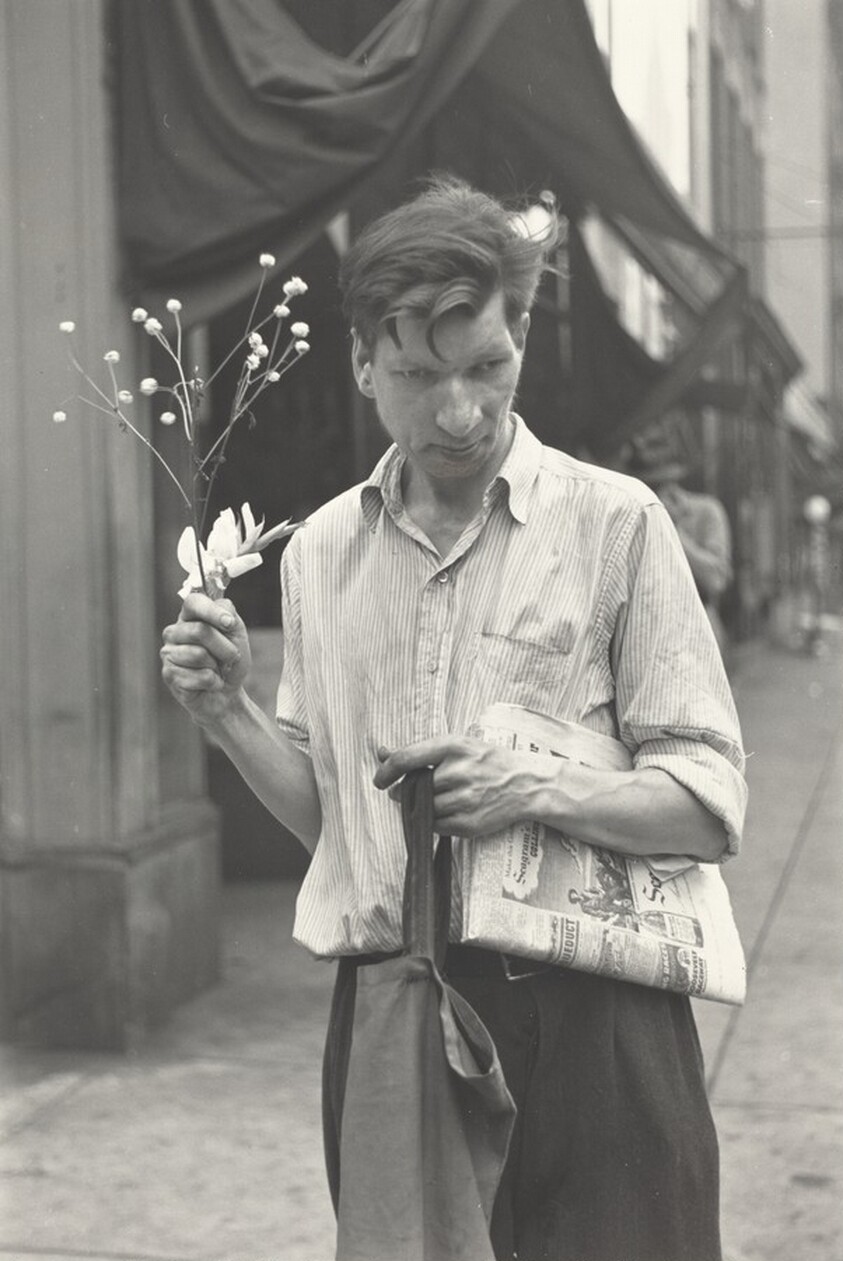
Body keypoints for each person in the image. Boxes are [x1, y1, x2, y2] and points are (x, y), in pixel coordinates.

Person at [161, 176, 747, 1261]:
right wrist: (229, 710)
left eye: (486, 366)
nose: (459, 411)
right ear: (361, 365)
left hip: (598, 1019)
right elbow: (342, 830)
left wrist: (535, 785)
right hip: (395, 1011)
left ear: (519, 336)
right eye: (419, 376)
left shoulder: (617, 524)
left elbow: (707, 807)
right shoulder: (321, 552)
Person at [629, 428, 734, 656]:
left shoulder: (706, 511)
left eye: (658, 486)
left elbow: (715, 580)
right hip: (647, 634)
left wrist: (672, 529)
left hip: (698, 631)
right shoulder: (631, 516)